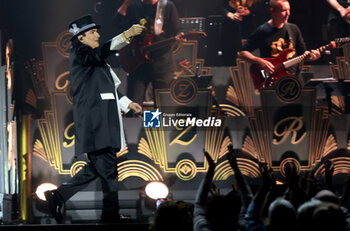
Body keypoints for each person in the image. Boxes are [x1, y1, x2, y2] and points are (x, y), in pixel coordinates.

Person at [44, 15, 144, 223]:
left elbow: (111, 89)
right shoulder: (80, 53)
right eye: (92, 32)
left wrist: (128, 104)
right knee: (108, 172)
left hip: (104, 125)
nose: (97, 34)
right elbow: (102, 52)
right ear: (80, 38)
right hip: (97, 126)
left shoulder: (95, 60)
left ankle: (58, 196)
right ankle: (110, 216)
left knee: (100, 168)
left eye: (97, 31)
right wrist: (125, 36)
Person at [114, 0, 181, 106]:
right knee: (133, 107)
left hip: (162, 66)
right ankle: (134, 122)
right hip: (138, 65)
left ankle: (154, 123)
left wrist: (177, 40)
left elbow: (176, 31)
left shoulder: (167, 6)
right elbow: (118, 23)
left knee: (163, 107)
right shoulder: (134, 6)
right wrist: (126, 2)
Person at [238, 0, 320, 86]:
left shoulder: (293, 28)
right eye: (284, 10)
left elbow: (303, 53)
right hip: (273, 82)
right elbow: (242, 53)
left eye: (289, 10)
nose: (288, 14)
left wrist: (312, 56)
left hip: (294, 81)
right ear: (272, 10)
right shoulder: (262, 31)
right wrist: (260, 61)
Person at [220, 0, 258, 66]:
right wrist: (229, 14)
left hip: (249, 26)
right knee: (230, 58)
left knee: (249, 57)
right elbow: (218, 6)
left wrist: (248, 11)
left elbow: (261, 6)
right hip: (229, 28)